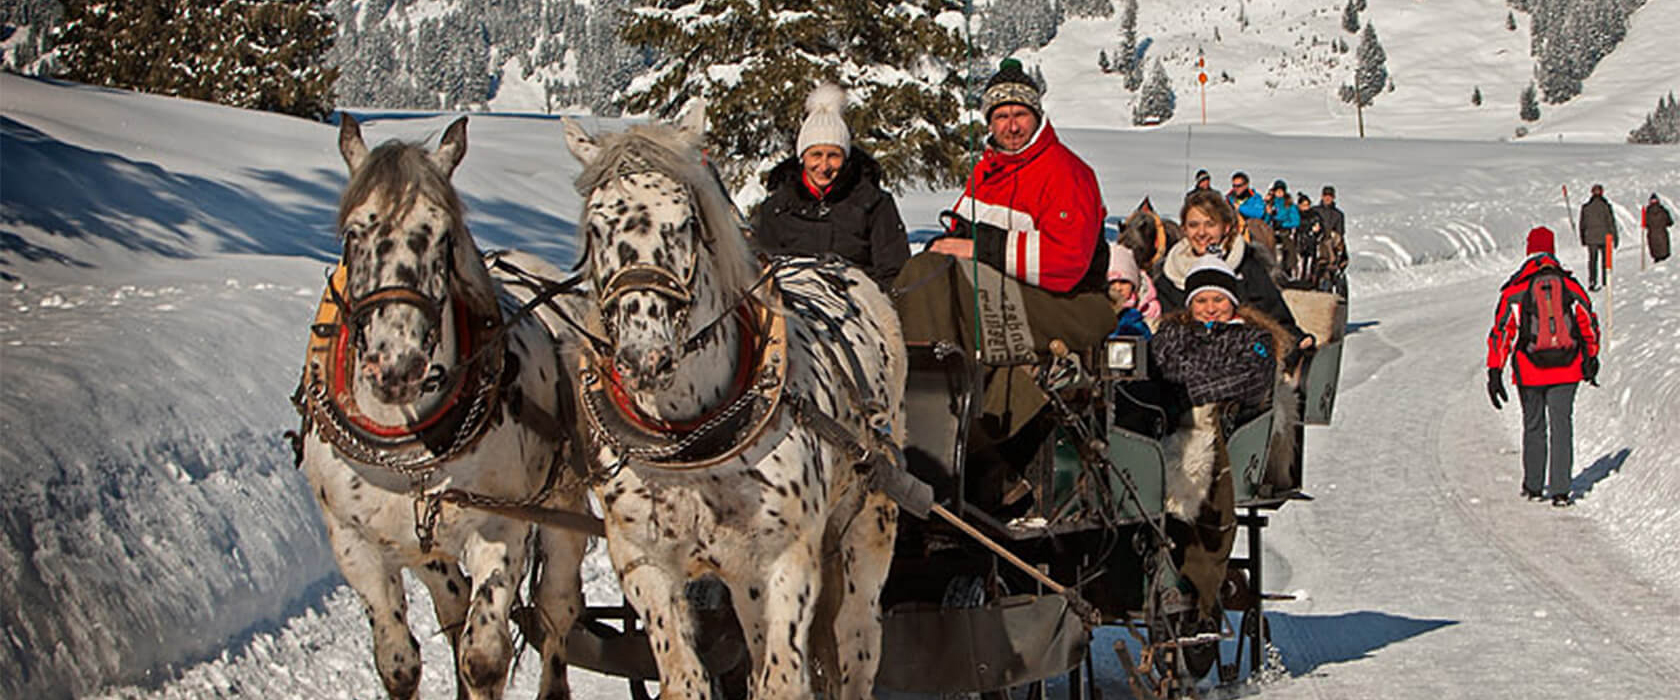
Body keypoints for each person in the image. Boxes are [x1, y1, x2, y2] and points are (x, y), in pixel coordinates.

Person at [894, 57, 1112, 443]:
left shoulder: (1065, 172)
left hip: (1073, 304)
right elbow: (958, 241)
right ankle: (924, 404)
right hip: (1015, 295)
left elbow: (1068, 264)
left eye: (1020, 114)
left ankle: (943, 425)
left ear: (1036, 115)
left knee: (941, 285)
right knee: (922, 277)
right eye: (1001, 116)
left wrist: (978, 248)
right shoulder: (988, 172)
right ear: (989, 122)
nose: (1011, 126)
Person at [1148, 255, 1292, 626]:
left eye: (1218, 300)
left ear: (1232, 302)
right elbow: (1164, 369)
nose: (1210, 309)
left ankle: (1196, 578)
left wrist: (1189, 387)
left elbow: (1249, 381)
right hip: (1169, 421)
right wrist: (1200, 381)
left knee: (1199, 453)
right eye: (1201, 301)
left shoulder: (1255, 338)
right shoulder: (1171, 333)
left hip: (1220, 430)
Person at [752, 84, 910, 290]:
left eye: (833, 156)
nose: (824, 166)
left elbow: (893, 271)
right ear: (802, 157)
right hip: (794, 303)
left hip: (860, 302)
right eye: (816, 155)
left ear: (845, 158)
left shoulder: (874, 204)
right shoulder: (776, 208)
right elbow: (762, 269)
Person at [1486, 226, 1601, 507]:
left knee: (1534, 425)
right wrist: (1591, 356)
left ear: (1529, 250)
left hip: (1530, 370)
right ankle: (1561, 490)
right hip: (1568, 368)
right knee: (1562, 426)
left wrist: (1495, 370)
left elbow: (1503, 331)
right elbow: (1588, 320)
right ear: (1552, 250)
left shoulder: (1517, 288)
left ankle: (1534, 486)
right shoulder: (1568, 284)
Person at [1154, 189, 1314, 352]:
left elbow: (1275, 316)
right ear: (1184, 230)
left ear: (1226, 227)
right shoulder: (1170, 274)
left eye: (1210, 224)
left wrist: (1296, 339)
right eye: (1193, 225)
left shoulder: (1247, 267)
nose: (1201, 233)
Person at [1578, 183, 1618, 291]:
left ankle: (1592, 281)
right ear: (1602, 192)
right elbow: (1611, 222)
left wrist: (1582, 238)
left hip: (1591, 238)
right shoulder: (1606, 206)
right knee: (1605, 260)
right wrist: (1615, 237)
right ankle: (1606, 281)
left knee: (1592, 261)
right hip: (1605, 237)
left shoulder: (1586, 207)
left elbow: (1582, 224)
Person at [1312, 185, 1348, 294]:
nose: (1327, 198)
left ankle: (1330, 277)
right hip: (1317, 239)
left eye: (1330, 196)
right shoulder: (1315, 211)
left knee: (1333, 249)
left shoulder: (1338, 214)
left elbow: (1340, 231)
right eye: (1325, 196)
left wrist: (1334, 236)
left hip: (1330, 241)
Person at [1643, 193, 1671, 263]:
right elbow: (1669, 222)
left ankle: (1657, 258)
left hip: (1652, 235)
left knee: (1655, 248)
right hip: (1662, 233)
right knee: (1664, 248)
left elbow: (1645, 224)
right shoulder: (1663, 210)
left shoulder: (1647, 212)